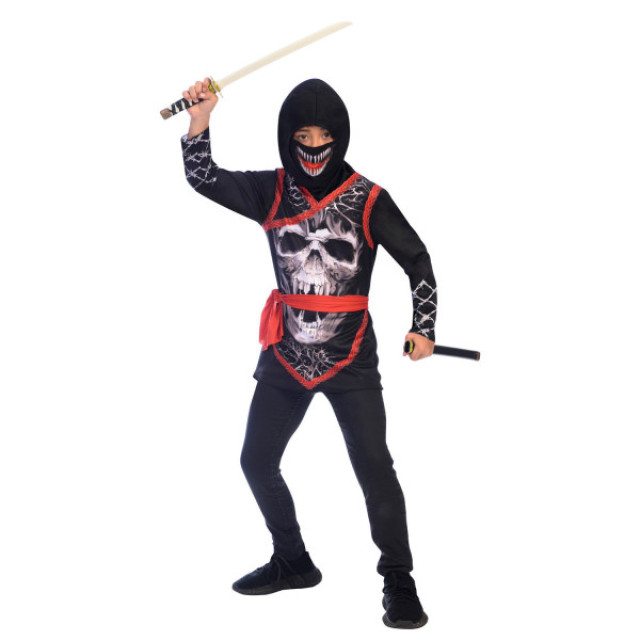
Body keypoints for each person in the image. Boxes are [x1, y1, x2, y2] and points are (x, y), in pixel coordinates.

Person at [180, 77, 437, 629]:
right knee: (256, 460)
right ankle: (292, 561)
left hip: (352, 355)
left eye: (324, 135)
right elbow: (203, 177)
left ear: (340, 136)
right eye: (303, 135)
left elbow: (417, 259)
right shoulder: (271, 191)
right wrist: (201, 119)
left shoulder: (368, 198)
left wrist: (424, 327)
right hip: (286, 351)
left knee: (374, 467)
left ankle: (398, 578)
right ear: (287, 137)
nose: (314, 145)